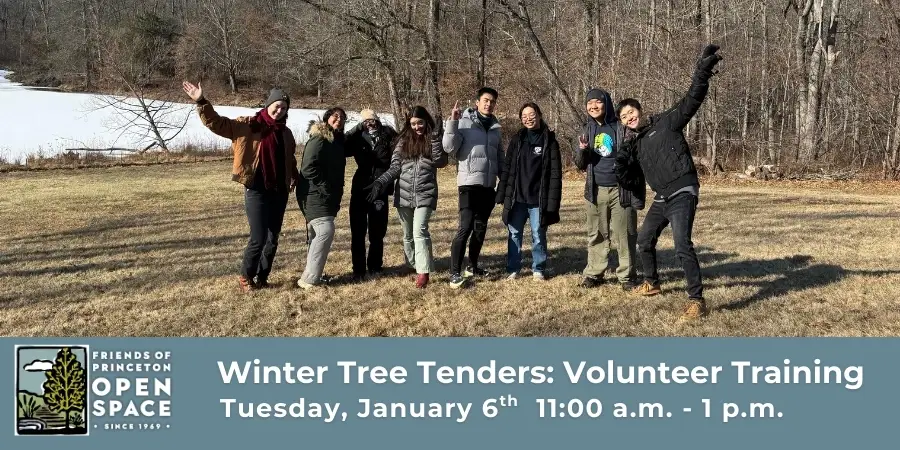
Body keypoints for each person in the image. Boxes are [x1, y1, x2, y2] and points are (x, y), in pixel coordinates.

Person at [615, 43, 723, 322]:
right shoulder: (634, 145)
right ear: (623, 123)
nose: (630, 117)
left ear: (640, 109)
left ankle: (697, 300)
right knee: (644, 239)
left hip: (683, 191)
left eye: (632, 112)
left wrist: (701, 72)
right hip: (662, 197)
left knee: (681, 244)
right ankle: (652, 283)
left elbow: (692, 99)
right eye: (625, 117)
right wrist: (621, 166)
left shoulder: (666, 122)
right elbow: (632, 179)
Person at [182, 81, 298, 293]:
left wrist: (294, 176)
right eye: (277, 106)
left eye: (284, 108)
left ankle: (262, 277)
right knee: (259, 237)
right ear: (268, 104)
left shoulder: (286, 133)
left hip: (279, 192)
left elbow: (289, 158)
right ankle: (246, 276)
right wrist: (201, 101)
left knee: (273, 238)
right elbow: (216, 123)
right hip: (256, 189)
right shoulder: (248, 125)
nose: (279, 111)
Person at [365, 106, 447, 289]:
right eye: (413, 124)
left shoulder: (432, 139)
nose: (417, 127)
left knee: (420, 231)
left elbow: (441, 162)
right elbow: (395, 168)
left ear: (426, 122)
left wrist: (434, 138)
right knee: (408, 236)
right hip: (403, 195)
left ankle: (423, 272)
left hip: (425, 194)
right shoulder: (402, 142)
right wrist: (380, 182)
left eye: (420, 123)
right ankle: (414, 264)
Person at [574, 87, 645, 291]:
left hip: (621, 189)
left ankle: (627, 276)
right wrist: (582, 150)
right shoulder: (585, 130)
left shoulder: (621, 127)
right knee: (596, 233)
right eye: (589, 103)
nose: (593, 106)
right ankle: (594, 273)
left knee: (626, 234)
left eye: (598, 102)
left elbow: (635, 157)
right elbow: (579, 164)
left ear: (606, 103)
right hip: (595, 191)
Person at [442, 88, 502, 288]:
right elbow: (449, 148)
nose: (489, 104)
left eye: (492, 101)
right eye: (485, 100)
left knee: (480, 228)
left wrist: (503, 178)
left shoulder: (495, 127)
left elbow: (498, 155)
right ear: (477, 102)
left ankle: (472, 267)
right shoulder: (464, 122)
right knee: (465, 227)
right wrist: (452, 122)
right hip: (468, 184)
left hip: (488, 185)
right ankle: (454, 273)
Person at [495, 102, 562, 281]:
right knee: (514, 233)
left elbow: (556, 174)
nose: (528, 118)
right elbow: (508, 168)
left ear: (539, 115)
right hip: (517, 198)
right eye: (524, 116)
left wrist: (553, 202)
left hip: (538, 199)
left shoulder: (549, 141)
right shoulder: (517, 140)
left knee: (538, 234)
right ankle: (513, 269)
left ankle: (538, 269)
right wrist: (501, 193)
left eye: (532, 114)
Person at [295, 107, 348, 289]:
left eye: (342, 117)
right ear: (327, 118)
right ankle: (309, 279)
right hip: (313, 193)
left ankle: (313, 275)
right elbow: (308, 168)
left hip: (325, 194)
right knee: (325, 230)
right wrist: (326, 188)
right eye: (335, 116)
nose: (339, 119)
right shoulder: (320, 138)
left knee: (316, 234)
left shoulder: (336, 140)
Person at [344, 109, 398, 281]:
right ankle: (358, 269)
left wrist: (386, 183)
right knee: (358, 231)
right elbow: (342, 144)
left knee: (377, 231)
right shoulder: (357, 137)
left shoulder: (388, 134)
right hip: (361, 186)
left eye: (372, 120)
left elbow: (400, 149)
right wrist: (356, 129)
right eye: (366, 121)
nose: (370, 123)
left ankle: (375, 266)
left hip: (381, 186)